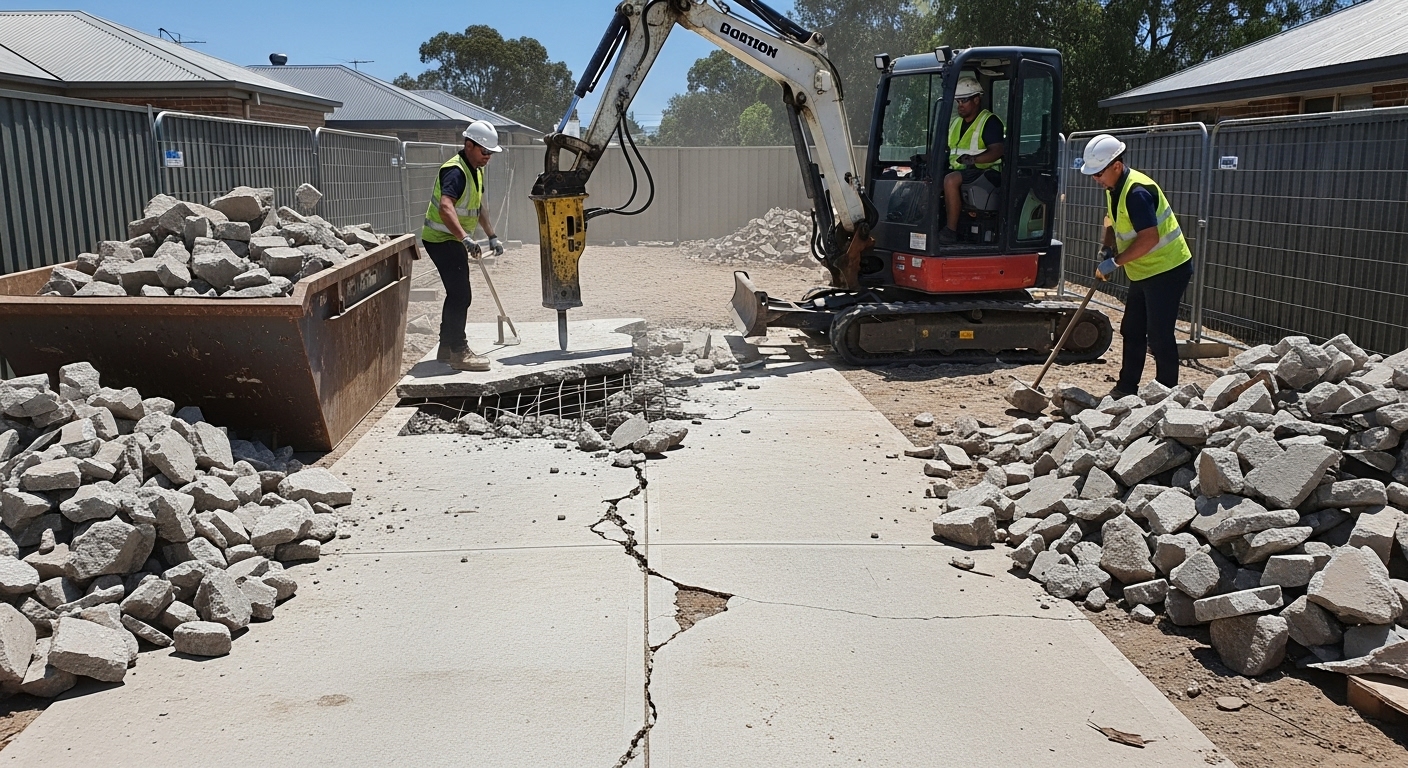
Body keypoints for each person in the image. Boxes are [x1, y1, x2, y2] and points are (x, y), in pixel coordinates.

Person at [1081, 133, 1194, 397]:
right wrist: (1106, 248)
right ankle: (1126, 388)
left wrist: (1115, 262)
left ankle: (1166, 394)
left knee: (1159, 335)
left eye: (1098, 173)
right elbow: (1110, 219)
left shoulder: (1137, 193)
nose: (1094, 179)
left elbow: (1149, 238)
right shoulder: (1114, 188)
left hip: (1168, 269)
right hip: (1144, 270)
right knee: (1131, 329)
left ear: (1116, 166)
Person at [420, 120, 507, 372]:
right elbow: (446, 207)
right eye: (484, 151)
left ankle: (447, 347)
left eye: (491, 153)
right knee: (461, 295)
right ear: (469, 145)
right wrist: (465, 238)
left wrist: (492, 235)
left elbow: (477, 206)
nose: (488, 157)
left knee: (457, 294)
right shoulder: (455, 171)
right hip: (441, 239)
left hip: (452, 239)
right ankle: (458, 351)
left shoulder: (475, 169)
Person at [937, 75, 1004, 244]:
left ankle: (950, 231)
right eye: (958, 101)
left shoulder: (989, 122)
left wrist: (974, 159)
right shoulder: (955, 124)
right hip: (963, 170)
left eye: (964, 101)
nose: (960, 105)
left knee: (951, 180)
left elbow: (998, 150)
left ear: (976, 99)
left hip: (986, 173)